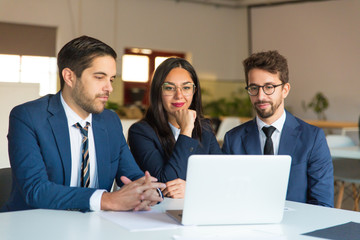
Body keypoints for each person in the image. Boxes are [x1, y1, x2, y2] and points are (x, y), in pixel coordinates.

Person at [1, 35, 165, 212]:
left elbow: (132, 175)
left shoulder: (110, 121)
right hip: (33, 225)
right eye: (99, 77)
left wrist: (149, 191)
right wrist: (106, 200)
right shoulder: (28, 117)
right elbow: (36, 190)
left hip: (93, 226)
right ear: (69, 77)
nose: (109, 88)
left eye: (111, 79)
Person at [222, 50, 334, 207]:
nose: (260, 96)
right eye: (254, 88)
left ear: (285, 90)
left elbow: (322, 204)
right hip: (248, 227)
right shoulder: (233, 139)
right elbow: (225, 197)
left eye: (269, 87)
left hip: (298, 226)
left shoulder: (312, 138)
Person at [128, 58, 222, 199]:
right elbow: (165, 184)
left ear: (194, 91)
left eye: (186, 87)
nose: (179, 95)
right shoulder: (141, 132)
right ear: (158, 92)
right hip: (157, 215)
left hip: (198, 209)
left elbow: (221, 178)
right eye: (169, 88)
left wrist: (191, 189)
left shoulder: (205, 128)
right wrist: (186, 130)